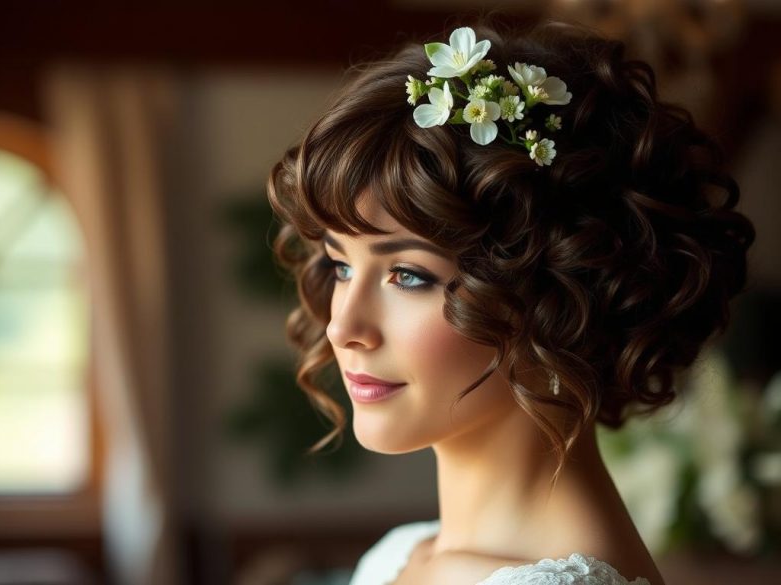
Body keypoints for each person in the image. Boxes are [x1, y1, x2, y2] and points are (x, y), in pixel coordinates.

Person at [265, 17, 755, 585]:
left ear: (555, 295)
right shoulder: (401, 555)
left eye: (408, 275)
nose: (342, 326)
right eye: (342, 265)